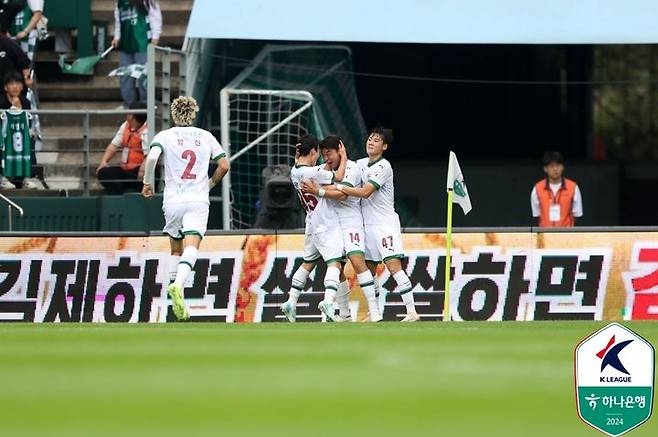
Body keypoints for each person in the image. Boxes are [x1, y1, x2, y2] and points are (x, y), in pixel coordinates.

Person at [304, 127, 419, 322]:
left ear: (384, 146)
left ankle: (411, 311)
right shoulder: (360, 164)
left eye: (376, 140)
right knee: (369, 269)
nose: (371, 142)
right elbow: (342, 176)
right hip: (366, 225)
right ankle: (372, 313)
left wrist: (327, 190)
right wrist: (330, 177)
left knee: (393, 265)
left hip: (384, 224)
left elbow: (365, 192)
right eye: (369, 139)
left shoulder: (384, 167)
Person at [142, 96, 230, 321]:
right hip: (197, 199)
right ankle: (178, 285)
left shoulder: (165, 136)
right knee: (192, 246)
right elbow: (224, 165)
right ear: (194, 114)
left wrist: (147, 183)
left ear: (174, 114)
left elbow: (152, 158)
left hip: (172, 200)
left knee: (175, 249)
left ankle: (174, 304)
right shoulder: (205, 136)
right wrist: (209, 184)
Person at [301, 135, 383, 322]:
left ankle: (374, 310)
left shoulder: (352, 168)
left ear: (340, 150)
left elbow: (342, 194)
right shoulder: (322, 169)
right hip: (332, 224)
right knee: (336, 269)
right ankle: (345, 314)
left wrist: (319, 190)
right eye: (323, 154)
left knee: (357, 261)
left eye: (329, 153)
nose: (326, 157)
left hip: (351, 222)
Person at [279, 134, 347, 322]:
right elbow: (339, 176)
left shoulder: (294, 171)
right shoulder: (312, 173)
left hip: (311, 222)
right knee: (335, 263)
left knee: (307, 263)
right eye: (317, 152)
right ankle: (328, 302)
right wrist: (344, 156)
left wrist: (299, 152)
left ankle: (290, 302)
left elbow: (313, 167)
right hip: (326, 223)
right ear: (313, 151)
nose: (319, 156)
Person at [112, 0, 162, 108]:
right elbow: (118, 22)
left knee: (144, 75)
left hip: (142, 44)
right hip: (126, 45)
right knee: (125, 75)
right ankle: (128, 105)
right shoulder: (120, 2)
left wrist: (155, 36)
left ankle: (146, 104)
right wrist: (117, 37)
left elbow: (155, 16)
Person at [96, 102, 148, 194]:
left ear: (131, 115)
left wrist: (143, 169)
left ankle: (126, 193)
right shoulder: (126, 125)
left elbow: (149, 156)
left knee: (143, 179)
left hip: (138, 172)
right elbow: (114, 145)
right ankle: (121, 194)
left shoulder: (146, 131)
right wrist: (104, 161)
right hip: (125, 169)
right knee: (103, 172)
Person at [531, 151, 583, 227]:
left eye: (558, 165)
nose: (555, 169)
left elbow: (577, 214)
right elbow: (537, 215)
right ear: (545, 169)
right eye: (551, 166)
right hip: (545, 235)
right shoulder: (537, 189)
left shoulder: (573, 187)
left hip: (567, 235)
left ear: (563, 167)